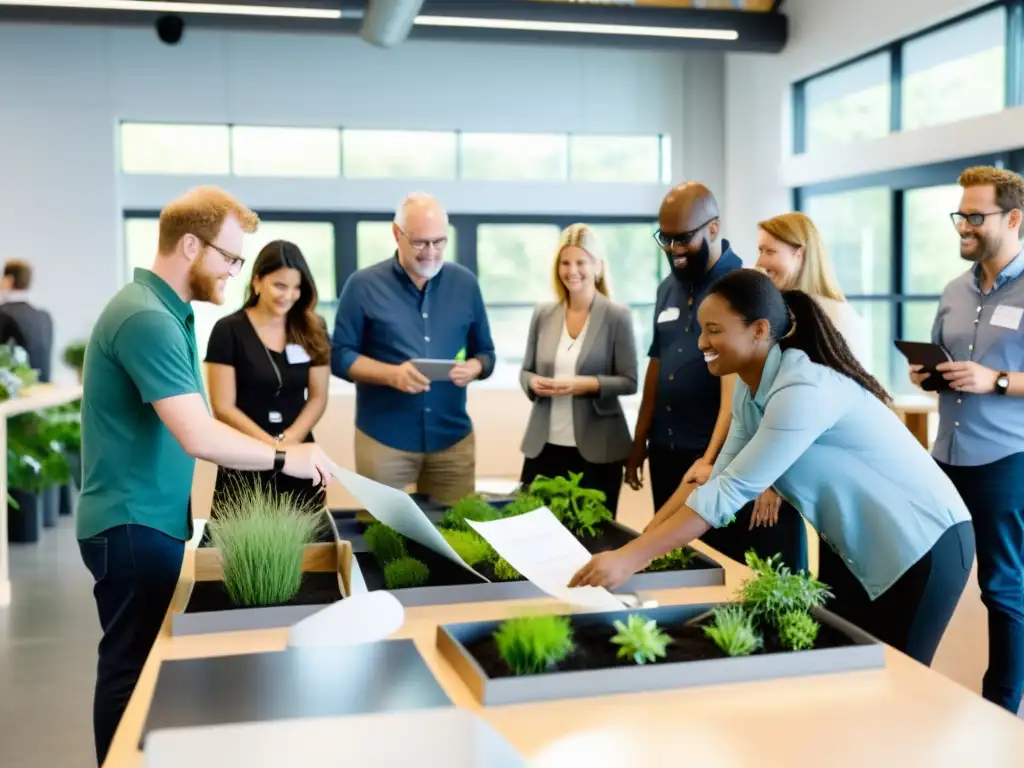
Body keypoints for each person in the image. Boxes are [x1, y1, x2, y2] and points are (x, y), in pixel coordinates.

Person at [571, 268, 974, 667]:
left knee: (898, 680)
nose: (701, 342)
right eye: (701, 329)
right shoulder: (752, 390)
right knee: (849, 673)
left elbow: (730, 493)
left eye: (714, 330)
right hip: (868, 549)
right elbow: (717, 478)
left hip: (927, 541)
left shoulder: (802, 388)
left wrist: (631, 558)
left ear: (759, 329)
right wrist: (635, 547)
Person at [76, 186, 331, 767]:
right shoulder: (146, 318)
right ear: (190, 245)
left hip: (149, 520)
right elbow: (199, 432)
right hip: (130, 525)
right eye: (230, 257)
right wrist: (285, 456)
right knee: (131, 672)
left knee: (139, 667)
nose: (234, 271)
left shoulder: (167, 311)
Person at [911, 165, 1024, 713]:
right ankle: (909, 679)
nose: (964, 226)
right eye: (960, 215)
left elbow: (994, 376)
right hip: (944, 455)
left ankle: (1003, 708)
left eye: (976, 217)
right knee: (924, 567)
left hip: (1006, 459)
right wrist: (926, 373)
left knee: (1002, 590)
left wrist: (996, 381)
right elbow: (942, 357)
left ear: (1014, 219)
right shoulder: (954, 290)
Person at [332, 193, 495, 505]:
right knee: (382, 538)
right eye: (421, 242)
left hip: (453, 439)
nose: (431, 252)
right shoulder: (362, 285)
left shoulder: (466, 284)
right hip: (384, 438)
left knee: (455, 537)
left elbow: (486, 354)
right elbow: (339, 356)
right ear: (397, 233)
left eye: (439, 242)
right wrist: (391, 374)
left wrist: (474, 367)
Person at [624, 182, 742, 545]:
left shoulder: (740, 287)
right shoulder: (668, 287)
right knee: (670, 555)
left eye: (683, 239)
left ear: (713, 229)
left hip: (713, 456)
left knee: (714, 556)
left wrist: (714, 456)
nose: (673, 250)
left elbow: (740, 389)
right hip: (666, 449)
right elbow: (656, 365)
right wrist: (639, 439)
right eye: (665, 238)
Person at [519, 224, 637, 516]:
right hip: (544, 445)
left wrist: (582, 385)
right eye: (565, 262)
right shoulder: (543, 314)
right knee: (533, 529)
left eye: (581, 262)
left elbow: (630, 380)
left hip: (599, 449)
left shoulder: (616, 316)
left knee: (593, 535)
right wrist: (534, 383)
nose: (572, 270)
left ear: (598, 267)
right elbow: (526, 371)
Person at [206, 240, 331, 512]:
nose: (289, 295)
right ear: (257, 282)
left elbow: (318, 397)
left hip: (300, 455)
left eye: (296, 288)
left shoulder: (314, 328)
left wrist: (288, 443)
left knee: (309, 548)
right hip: (244, 456)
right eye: (279, 286)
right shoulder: (228, 330)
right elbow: (223, 406)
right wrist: (273, 449)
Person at [0, 259, 54, 382]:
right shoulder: (44, 316)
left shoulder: (3, 315)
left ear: (8, 280)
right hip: (43, 392)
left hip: (16, 394)